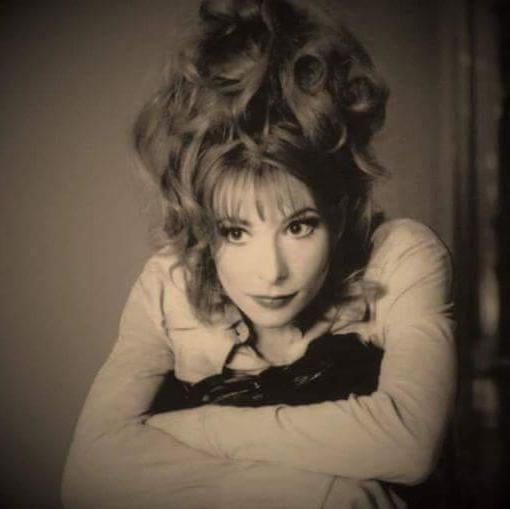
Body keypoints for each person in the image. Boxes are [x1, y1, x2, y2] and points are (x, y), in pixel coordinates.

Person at [61, 0, 456, 507]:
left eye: (299, 226)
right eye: (235, 231)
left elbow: (408, 443)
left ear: (338, 212)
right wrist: (329, 494)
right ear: (203, 226)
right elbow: (87, 477)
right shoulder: (169, 283)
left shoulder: (403, 254)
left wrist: (195, 429)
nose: (271, 272)